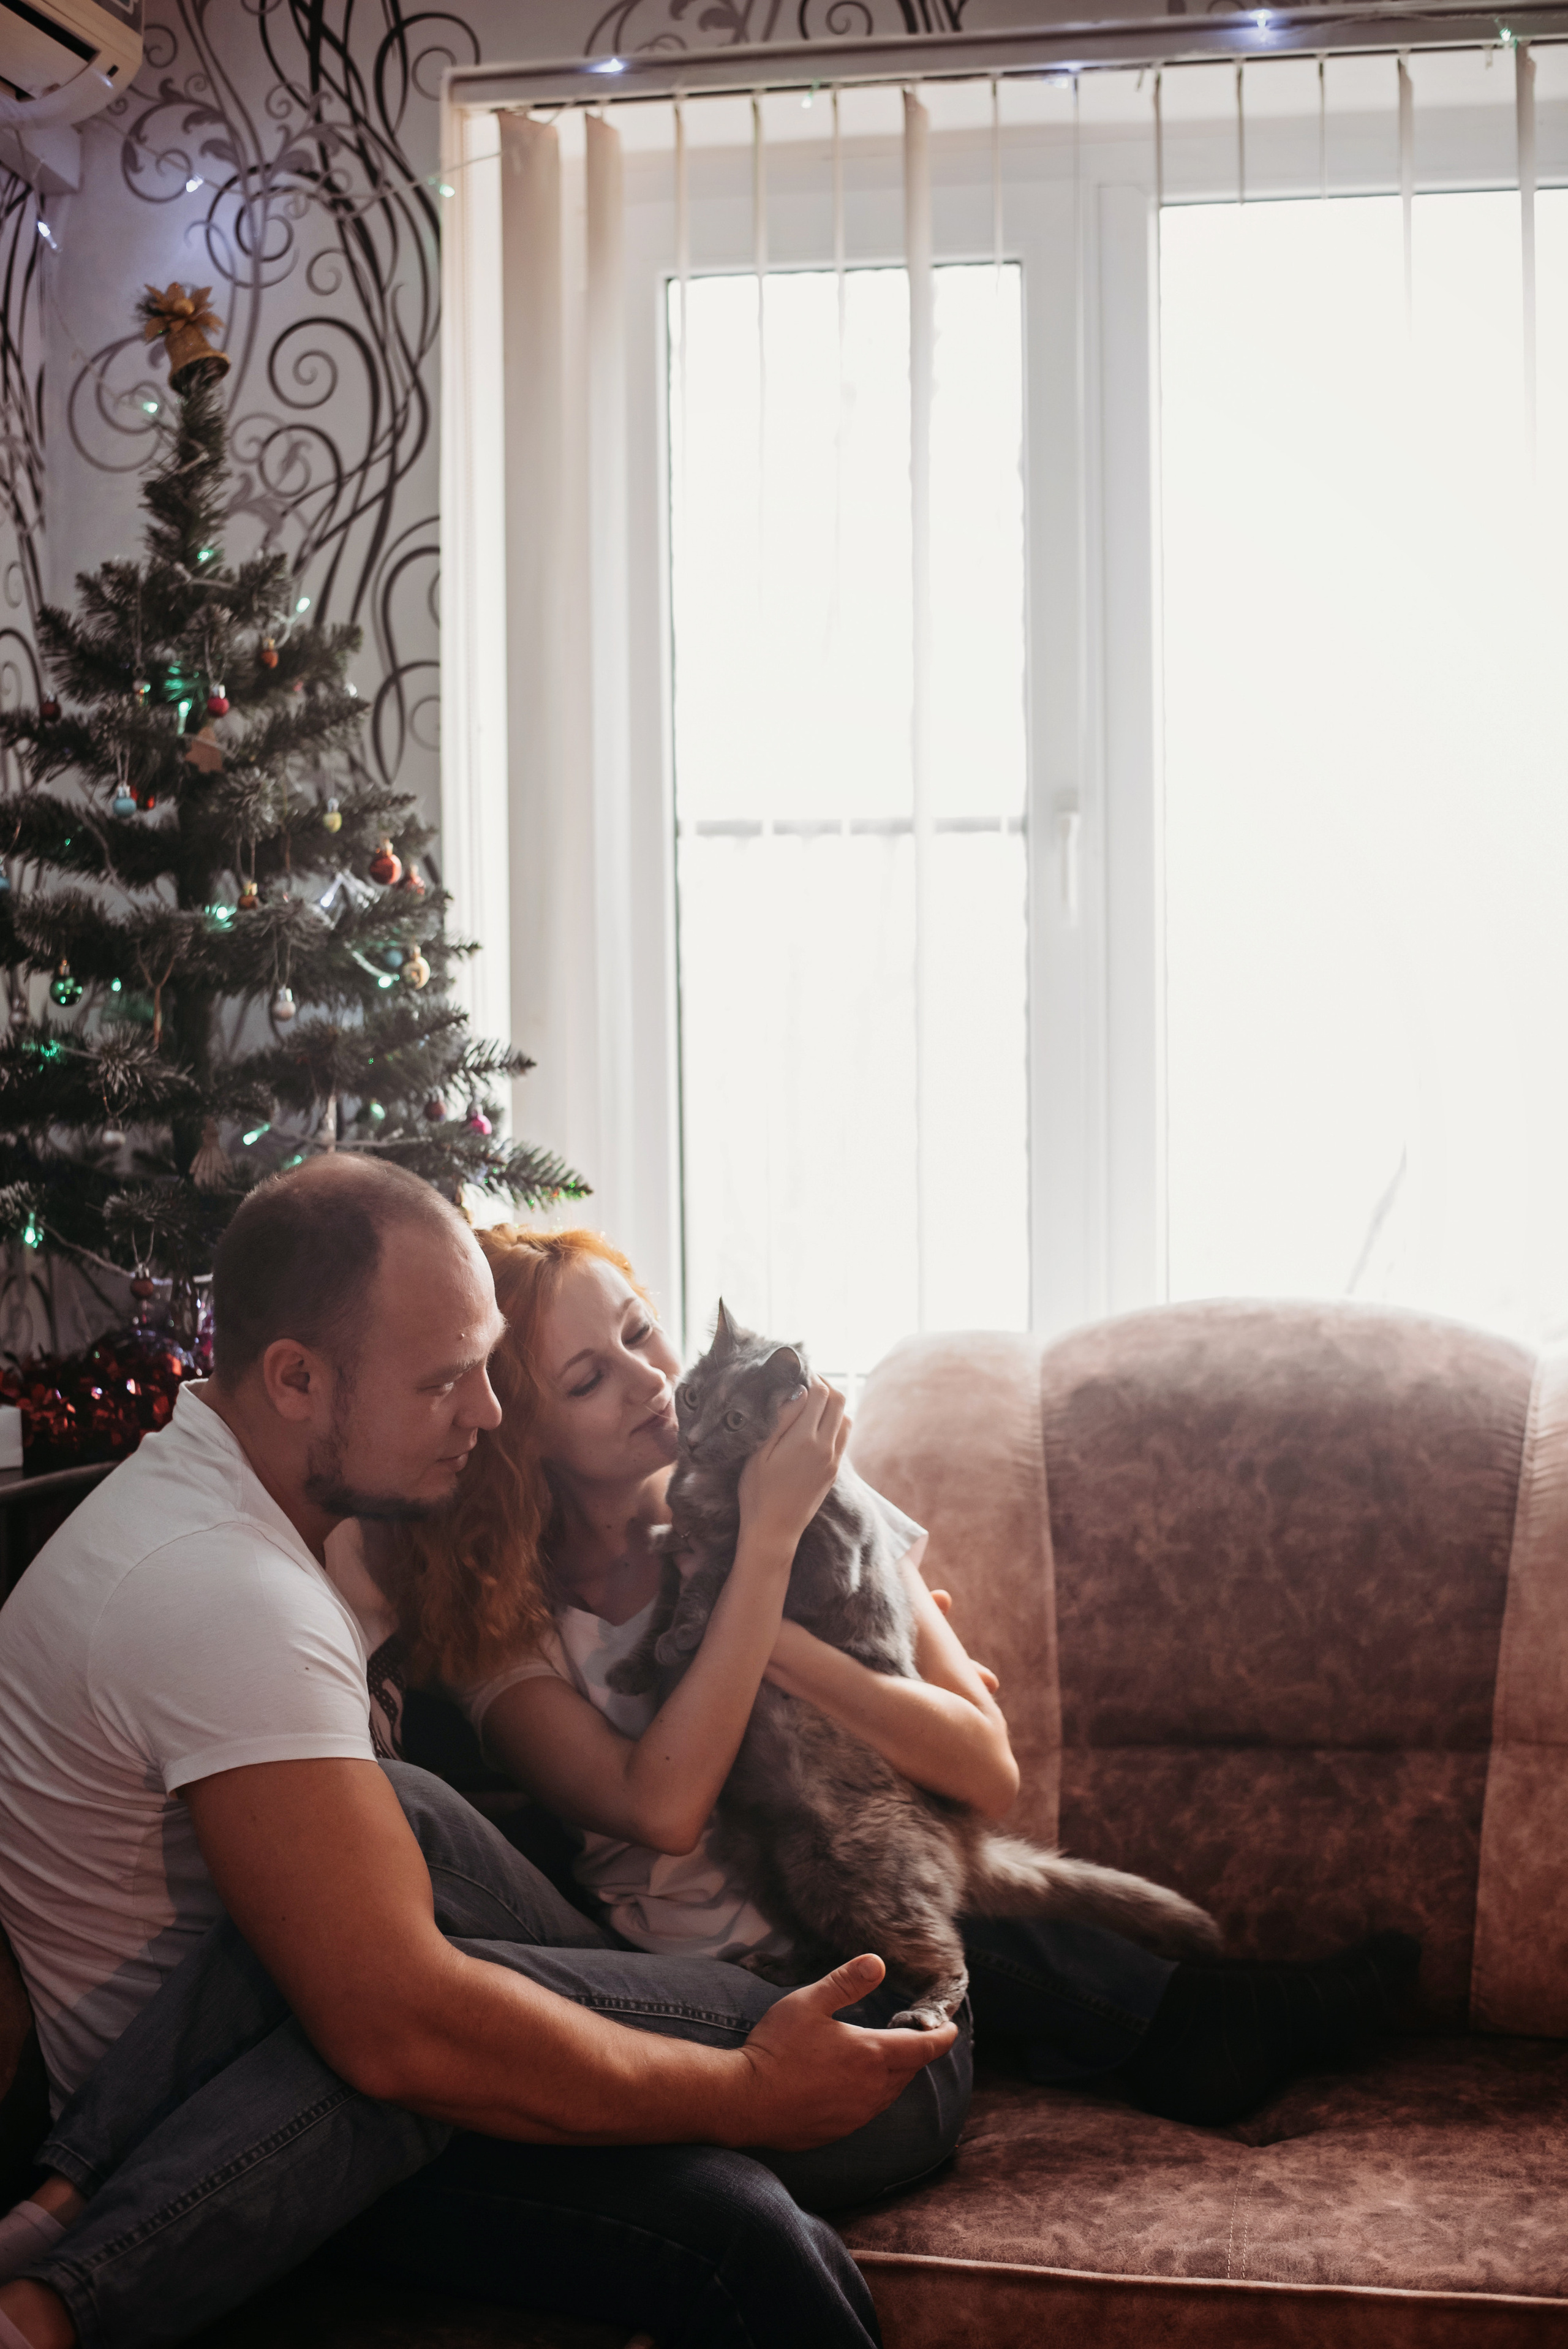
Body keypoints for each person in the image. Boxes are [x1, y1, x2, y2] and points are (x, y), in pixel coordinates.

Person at [1, 1206, 1420, 2348]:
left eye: (639, 1336)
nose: (645, 1385)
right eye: (502, 1385)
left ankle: (1187, 2015)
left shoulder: (794, 1513)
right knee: (402, 1939)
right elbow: (627, 1812)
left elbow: (976, 1759)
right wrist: (747, 1566)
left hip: (822, 1976)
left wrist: (777, 1580)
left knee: (396, 1937)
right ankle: (65, 2264)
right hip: (672, 1977)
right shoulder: (381, 1588)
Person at [0, 1160, 965, 2349]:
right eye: (448, 1379)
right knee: (740, 2231)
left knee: (402, 1813)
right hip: (253, 2110)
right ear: (294, 1379)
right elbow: (398, 2030)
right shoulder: (228, 1594)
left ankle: (60, 2213)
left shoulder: (234, 1504)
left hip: (273, 2051)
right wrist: (751, 2092)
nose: (490, 1414)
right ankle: (48, 2309)